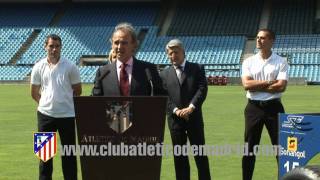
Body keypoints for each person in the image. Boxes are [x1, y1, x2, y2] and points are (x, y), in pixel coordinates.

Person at [30, 34, 82, 180]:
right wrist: (46, 105)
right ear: (45, 46)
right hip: (45, 117)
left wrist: (64, 104)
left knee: (69, 155)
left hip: (67, 116)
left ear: (61, 47)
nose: (54, 49)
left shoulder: (70, 66)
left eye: (57, 46)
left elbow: (78, 90)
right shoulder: (38, 66)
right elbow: (34, 93)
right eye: (51, 46)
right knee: (45, 157)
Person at [241, 29, 289, 180]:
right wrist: (269, 82)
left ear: (271, 40)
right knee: (249, 148)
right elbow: (247, 85)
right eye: (257, 38)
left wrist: (257, 86)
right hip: (253, 108)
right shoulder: (248, 61)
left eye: (262, 38)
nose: (258, 40)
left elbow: (281, 86)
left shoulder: (281, 61)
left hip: (274, 108)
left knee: (280, 149)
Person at [160, 39, 211, 180]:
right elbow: (164, 96)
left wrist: (191, 107)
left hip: (194, 118)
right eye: (170, 53)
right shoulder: (163, 74)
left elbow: (202, 89)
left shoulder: (197, 68)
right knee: (180, 157)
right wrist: (176, 110)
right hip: (175, 121)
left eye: (176, 52)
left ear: (183, 52)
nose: (173, 55)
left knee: (200, 155)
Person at [92, 22, 163, 96]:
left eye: (124, 43)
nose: (119, 47)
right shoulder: (103, 72)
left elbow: (161, 98)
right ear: (112, 45)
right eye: (116, 43)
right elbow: (96, 100)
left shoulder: (148, 70)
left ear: (134, 45)